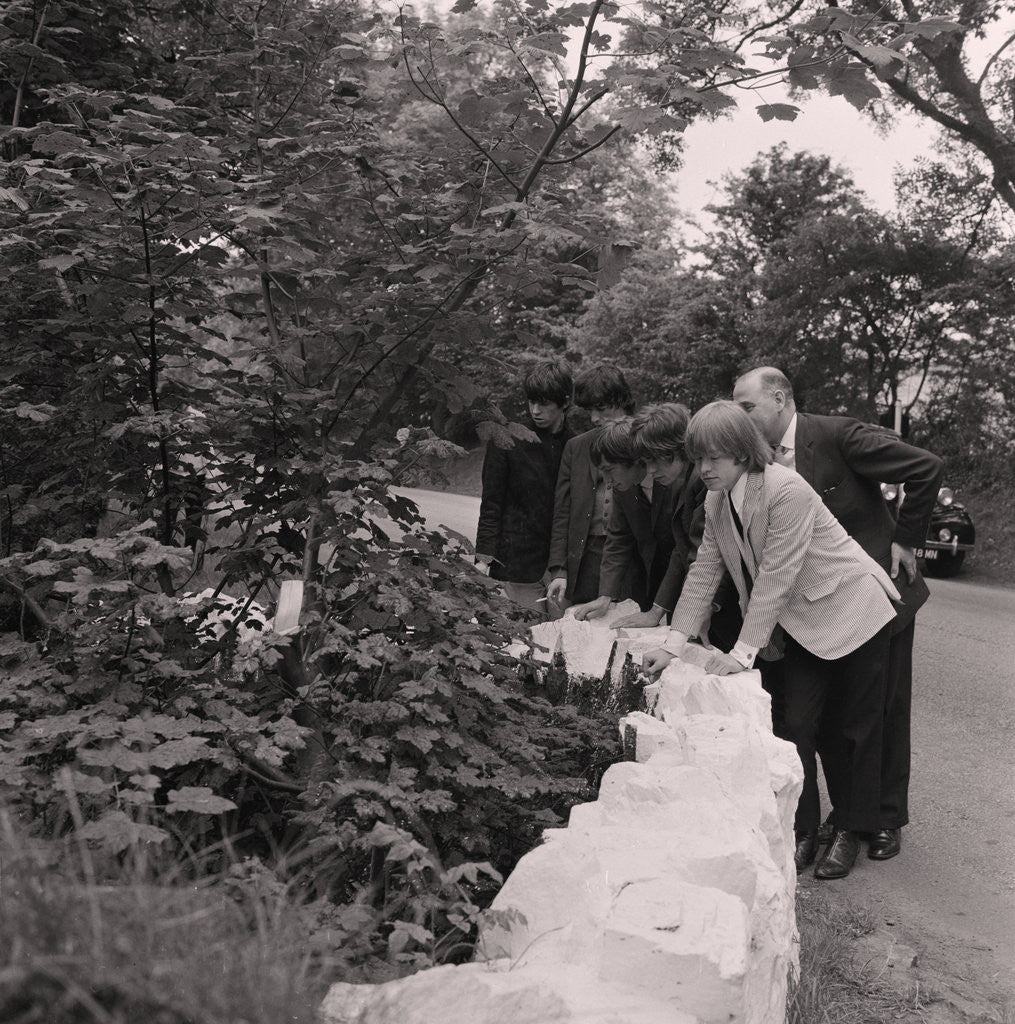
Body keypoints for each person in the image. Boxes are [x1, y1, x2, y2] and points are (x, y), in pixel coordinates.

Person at [642, 401, 900, 881]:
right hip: (803, 621)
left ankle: (850, 829)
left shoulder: (786, 489)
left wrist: (742, 654)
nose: (703, 470)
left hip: (853, 609)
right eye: (698, 459)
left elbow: (776, 576)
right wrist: (673, 643)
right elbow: (705, 571)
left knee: (854, 729)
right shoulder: (717, 500)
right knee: (798, 724)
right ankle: (802, 830)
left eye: (713, 459)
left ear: (742, 452)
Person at [732, 367, 943, 863]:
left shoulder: (838, 435)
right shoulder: (758, 462)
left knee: (884, 711)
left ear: (779, 398)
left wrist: (907, 539)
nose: (741, 417)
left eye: (747, 406)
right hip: (820, 610)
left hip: (880, 597)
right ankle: (850, 812)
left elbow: (926, 467)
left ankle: (885, 819)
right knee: (833, 717)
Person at [475, 360, 574, 612]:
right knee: (524, 641)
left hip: (564, 565)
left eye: (544, 403)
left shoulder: (577, 445)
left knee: (564, 641)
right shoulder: (507, 438)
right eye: (531, 401)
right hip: (517, 563)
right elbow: (491, 504)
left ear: (564, 402)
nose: (535, 410)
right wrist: (483, 559)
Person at [568, 417, 677, 622]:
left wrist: (660, 608)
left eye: (609, 470)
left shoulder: (672, 479)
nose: (607, 481)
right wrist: (605, 595)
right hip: (650, 586)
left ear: (634, 460)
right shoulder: (623, 489)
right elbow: (618, 538)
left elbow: (683, 550)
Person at [545, 366, 634, 614]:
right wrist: (559, 570)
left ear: (621, 401)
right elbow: (562, 512)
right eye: (589, 410)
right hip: (586, 558)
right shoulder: (576, 447)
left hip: (633, 563)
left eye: (601, 409)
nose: (594, 418)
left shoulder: (645, 440)